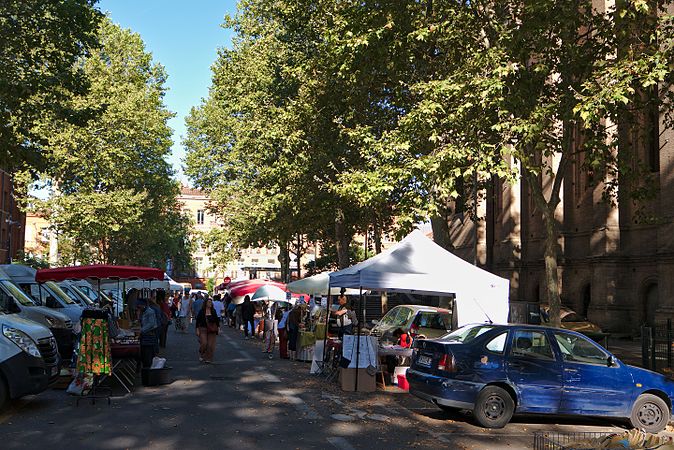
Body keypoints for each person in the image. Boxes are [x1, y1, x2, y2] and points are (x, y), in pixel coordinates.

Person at [196, 297, 220, 363]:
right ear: (205, 303)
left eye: (211, 302)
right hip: (203, 328)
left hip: (211, 330)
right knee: (204, 343)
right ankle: (202, 353)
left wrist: (218, 328)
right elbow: (198, 321)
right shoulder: (202, 311)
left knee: (210, 345)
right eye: (209, 302)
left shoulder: (213, 311)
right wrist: (197, 329)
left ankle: (208, 358)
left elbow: (216, 320)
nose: (210, 304)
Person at [138, 299, 158, 368]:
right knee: (145, 353)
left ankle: (148, 368)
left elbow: (151, 324)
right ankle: (146, 367)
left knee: (148, 354)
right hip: (146, 335)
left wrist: (141, 330)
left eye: (139, 306)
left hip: (149, 335)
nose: (138, 307)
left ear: (143, 305)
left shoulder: (150, 312)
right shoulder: (143, 311)